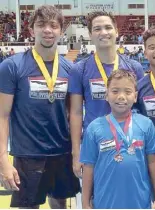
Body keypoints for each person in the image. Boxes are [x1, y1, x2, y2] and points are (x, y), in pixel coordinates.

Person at [0, 5, 80, 208]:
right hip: (28, 155)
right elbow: (2, 116)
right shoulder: (12, 66)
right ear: (31, 30)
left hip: (62, 151)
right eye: (41, 25)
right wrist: (3, 161)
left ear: (61, 31)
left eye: (53, 25)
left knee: (60, 205)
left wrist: (75, 153)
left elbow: (74, 114)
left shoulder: (70, 69)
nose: (47, 30)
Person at [68, 11, 144, 208]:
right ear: (90, 34)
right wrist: (77, 153)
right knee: (93, 202)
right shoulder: (81, 69)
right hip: (95, 148)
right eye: (97, 29)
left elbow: (140, 111)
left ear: (116, 31)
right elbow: (76, 112)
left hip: (128, 147)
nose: (104, 32)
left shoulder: (133, 67)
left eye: (108, 27)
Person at [80, 69, 155, 209]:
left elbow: (153, 162)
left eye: (128, 92)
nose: (121, 96)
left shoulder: (145, 124)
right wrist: (85, 203)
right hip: (105, 203)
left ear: (135, 96)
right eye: (115, 91)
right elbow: (88, 167)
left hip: (139, 203)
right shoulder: (94, 128)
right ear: (106, 95)